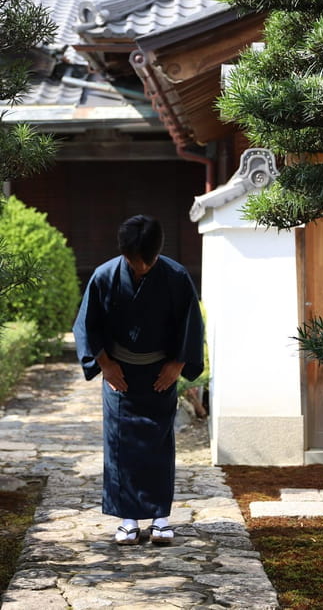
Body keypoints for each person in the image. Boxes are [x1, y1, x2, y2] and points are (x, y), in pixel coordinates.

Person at [73, 214, 204, 545]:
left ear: (158, 252)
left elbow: (190, 325)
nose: (141, 268)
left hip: (160, 372)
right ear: (124, 253)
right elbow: (87, 325)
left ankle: (160, 517)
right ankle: (127, 519)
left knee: (159, 443)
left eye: (147, 262)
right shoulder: (105, 276)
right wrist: (105, 364)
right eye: (134, 262)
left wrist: (177, 365)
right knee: (121, 446)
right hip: (120, 373)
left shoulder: (176, 277)